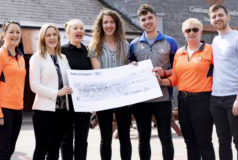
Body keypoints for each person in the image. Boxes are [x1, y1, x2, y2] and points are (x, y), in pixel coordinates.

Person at [154, 18, 215, 160]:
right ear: (184, 33)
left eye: (195, 29)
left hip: (202, 100)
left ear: (201, 32)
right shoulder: (179, 53)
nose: (191, 33)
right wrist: (160, 81)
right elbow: (175, 78)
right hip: (183, 100)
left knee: (204, 142)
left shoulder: (210, 50)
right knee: (190, 143)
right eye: (188, 30)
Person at [129, 4, 178, 160]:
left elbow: (176, 70)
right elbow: (130, 72)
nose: (147, 21)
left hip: (162, 98)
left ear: (156, 19)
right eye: (144, 19)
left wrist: (163, 74)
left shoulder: (170, 42)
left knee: (165, 137)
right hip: (141, 100)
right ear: (139, 22)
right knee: (143, 138)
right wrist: (132, 67)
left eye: (150, 18)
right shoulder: (133, 45)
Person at [209, 4, 238, 160]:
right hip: (216, 98)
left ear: (228, 17)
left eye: (220, 15)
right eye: (214, 16)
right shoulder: (215, 41)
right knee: (223, 142)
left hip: (235, 97)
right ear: (211, 20)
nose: (218, 19)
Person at [89, 9, 132, 160]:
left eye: (112, 22)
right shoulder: (95, 46)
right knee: (105, 138)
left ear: (117, 24)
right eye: (105, 22)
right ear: (101, 25)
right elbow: (97, 73)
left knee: (125, 137)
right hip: (104, 98)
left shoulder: (125, 44)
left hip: (122, 98)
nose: (109, 25)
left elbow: (127, 70)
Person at [29, 23, 72, 160]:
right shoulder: (37, 58)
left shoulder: (63, 58)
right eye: (48, 35)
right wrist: (57, 93)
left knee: (54, 150)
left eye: (55, 35)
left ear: (59, 38)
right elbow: (34, 85)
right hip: (43, 111)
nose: (52, 38)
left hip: (62, 111)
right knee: (41, 148)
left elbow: (70, 80)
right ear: (43, 38)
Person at [0, 20, 26, 160]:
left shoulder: (21, 56)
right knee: (2, 151)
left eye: (17, 32)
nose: (15, 35)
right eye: (11, 32)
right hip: (2, 109)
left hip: (17, 108)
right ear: (3, 34)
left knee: (10, 149)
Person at [60, 19, 92, 160]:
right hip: (66, 102)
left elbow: (94, 75)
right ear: (68, 32)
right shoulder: (61, 51)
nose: (79, 31)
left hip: (84, 103)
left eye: (81, 28)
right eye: (75, 28)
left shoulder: (88, 51)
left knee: (82, 139)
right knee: (66, 139)